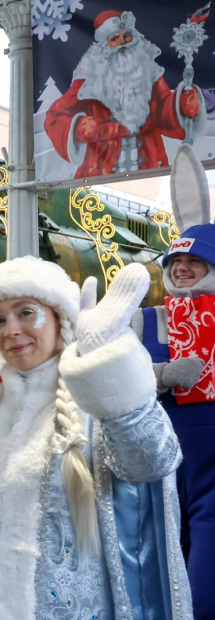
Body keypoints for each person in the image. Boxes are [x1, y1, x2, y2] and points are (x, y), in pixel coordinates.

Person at [0, 257, 191, 620]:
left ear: (59, 318)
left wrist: (106, 362)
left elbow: (153, 460)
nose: (11, 330)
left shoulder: (95, 400)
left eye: (26, 312)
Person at [136, 222, 215, 618]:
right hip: (160, 459)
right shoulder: (145, 319)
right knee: (162, 566)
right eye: (176, 261)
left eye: (195, 261)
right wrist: (160, 376)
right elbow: (114, 377)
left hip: (211, 465)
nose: (182, 269)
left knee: (205, 583)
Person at [44, 10, 202, 178]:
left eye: (126, 36)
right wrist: (78, 127)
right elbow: (56, 116)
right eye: (114, 39)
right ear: (104, 46)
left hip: (149, 164)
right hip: (99, 169)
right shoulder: (88, 80)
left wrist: (182, 105)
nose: (122, 43)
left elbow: (163, 111)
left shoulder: (148, 72)